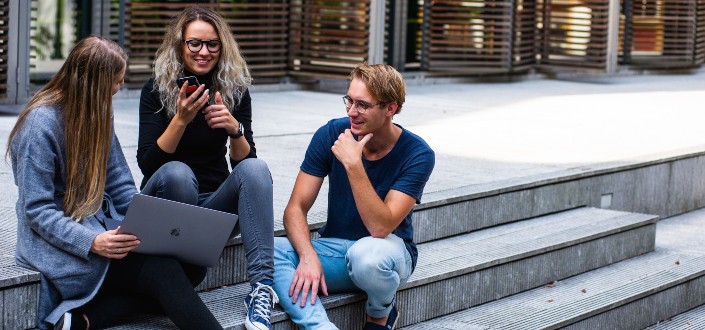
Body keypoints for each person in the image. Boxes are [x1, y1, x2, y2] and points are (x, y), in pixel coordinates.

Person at [6, 36, 222, 330]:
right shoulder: (39, 126)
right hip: (62, 243)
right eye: (117, 81)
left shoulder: (96, 114)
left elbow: (120, 184)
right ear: (94, 83)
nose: (119, 88)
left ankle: (86, 319)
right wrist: (92, 241)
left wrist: (143, 224)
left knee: (193, 267)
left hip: (103, 228)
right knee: (164, 271)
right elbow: (37, 210)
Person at [136, 6, 276, 330]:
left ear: (222, 46)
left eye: (212, 44)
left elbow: (244, 163)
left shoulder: (234, 89)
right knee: (178, 173)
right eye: (194, 43)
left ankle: (261, 291)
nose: (203, 52)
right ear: (180, 45)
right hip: (167, 201)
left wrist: (234, 129)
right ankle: (175, 275)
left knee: (257, 169)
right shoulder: (156, 90)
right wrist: (181, 119)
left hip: (213, 208)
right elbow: (148, 163)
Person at [273, 63, 435, 329]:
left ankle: (379, 314)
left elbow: (380, 227)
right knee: (270, 249)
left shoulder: (418, 154)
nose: (351, 112)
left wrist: (354, 164)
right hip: (335, 248)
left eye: (362, 105)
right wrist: (307, 255)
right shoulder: (331, 133)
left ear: (390, 108)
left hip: (387, 254)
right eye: (349, 100)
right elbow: (295, 209)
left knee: (367, 256)